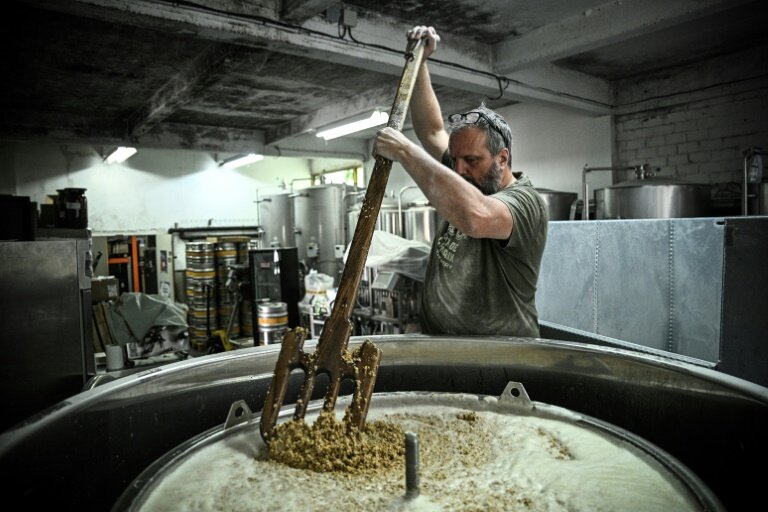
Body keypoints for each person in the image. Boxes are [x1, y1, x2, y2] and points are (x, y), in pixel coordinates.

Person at [373, 25, 549, 337]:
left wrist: (403, 150)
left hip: (498, 353)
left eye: (472, 160)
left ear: (502, 158)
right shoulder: (466, 173)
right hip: (444, 345)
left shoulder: (526, 202)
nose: (459, 170)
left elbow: (476, 217)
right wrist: (421, 62)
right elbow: (431, 131)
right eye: (455, 160)